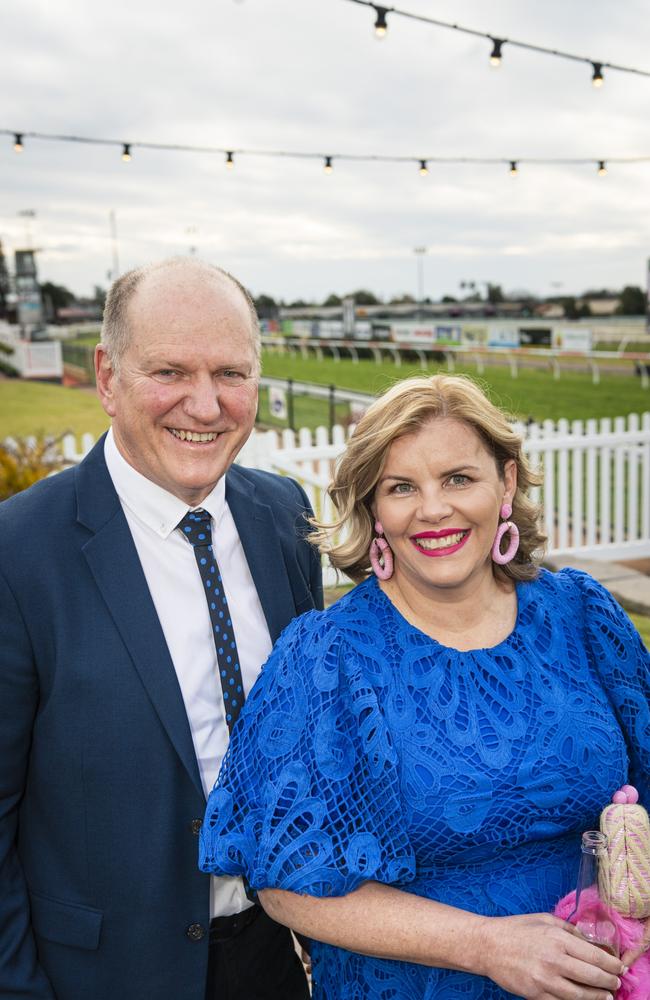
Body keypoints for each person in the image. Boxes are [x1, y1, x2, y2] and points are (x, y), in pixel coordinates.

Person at [200, 373, 650, 999]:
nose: (433, 509)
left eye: (459, 479)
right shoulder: (328, 658)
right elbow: (287, 885)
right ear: (373, 507)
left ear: (507, 483)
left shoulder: (584, 615)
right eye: (401, 487)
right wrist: (487, 946)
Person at [0, 257, 321, 1000]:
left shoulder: (284, 516)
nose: (205, 406)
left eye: (231, 374)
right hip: (100, 976)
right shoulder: (18, 553)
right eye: (170, 371)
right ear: (108, 377)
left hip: (276, 958)